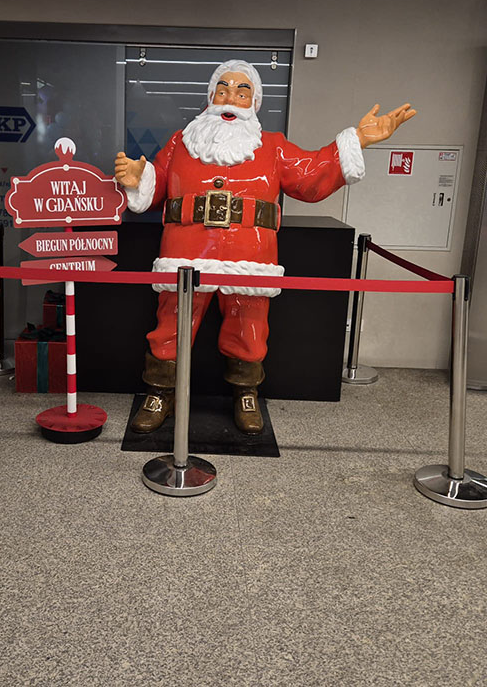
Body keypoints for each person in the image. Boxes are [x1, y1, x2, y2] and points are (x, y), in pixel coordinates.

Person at [115, 59, 415, 435]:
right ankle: (160, 391)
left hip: (250, 252)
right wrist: (139, 177)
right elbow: (157, 185)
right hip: (186, 249)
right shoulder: (181, 142)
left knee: (249, 325)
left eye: (242, 92)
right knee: (172, 322)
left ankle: (246, 392)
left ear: (254, 102)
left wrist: (358, 139)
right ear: (210, 97)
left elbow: (310, 176)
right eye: (223, 90)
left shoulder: (272, 146)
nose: (231, 98)